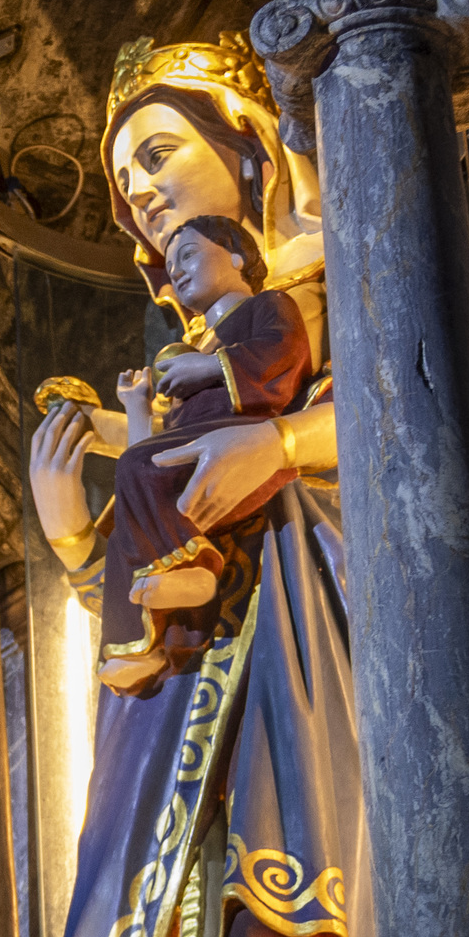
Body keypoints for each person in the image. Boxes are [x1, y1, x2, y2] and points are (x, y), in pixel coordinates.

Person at [26, 33, 401, 937]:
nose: (137, 190)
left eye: (160, 150)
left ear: (246, 144)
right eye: (123, 174)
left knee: (278, 931)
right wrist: (78, 540)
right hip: (162, 719)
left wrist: (282, 446)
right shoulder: (163, 376)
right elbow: (151, 556)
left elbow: (434, 415)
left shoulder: (331, 280)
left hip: (303, 678)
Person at [97, 215, 316, 695]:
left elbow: (284, 356)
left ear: (238, 256)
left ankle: (195, 569)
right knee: (120, 525)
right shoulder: (191, 351)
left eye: (189, 254)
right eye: (170, 264)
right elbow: (155, 453)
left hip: (244, 440)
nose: (176, 270)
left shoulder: (268, 306)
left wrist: (210, 365)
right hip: (195, 454)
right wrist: (137, 407)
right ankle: (141, 647)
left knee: (139, 468)